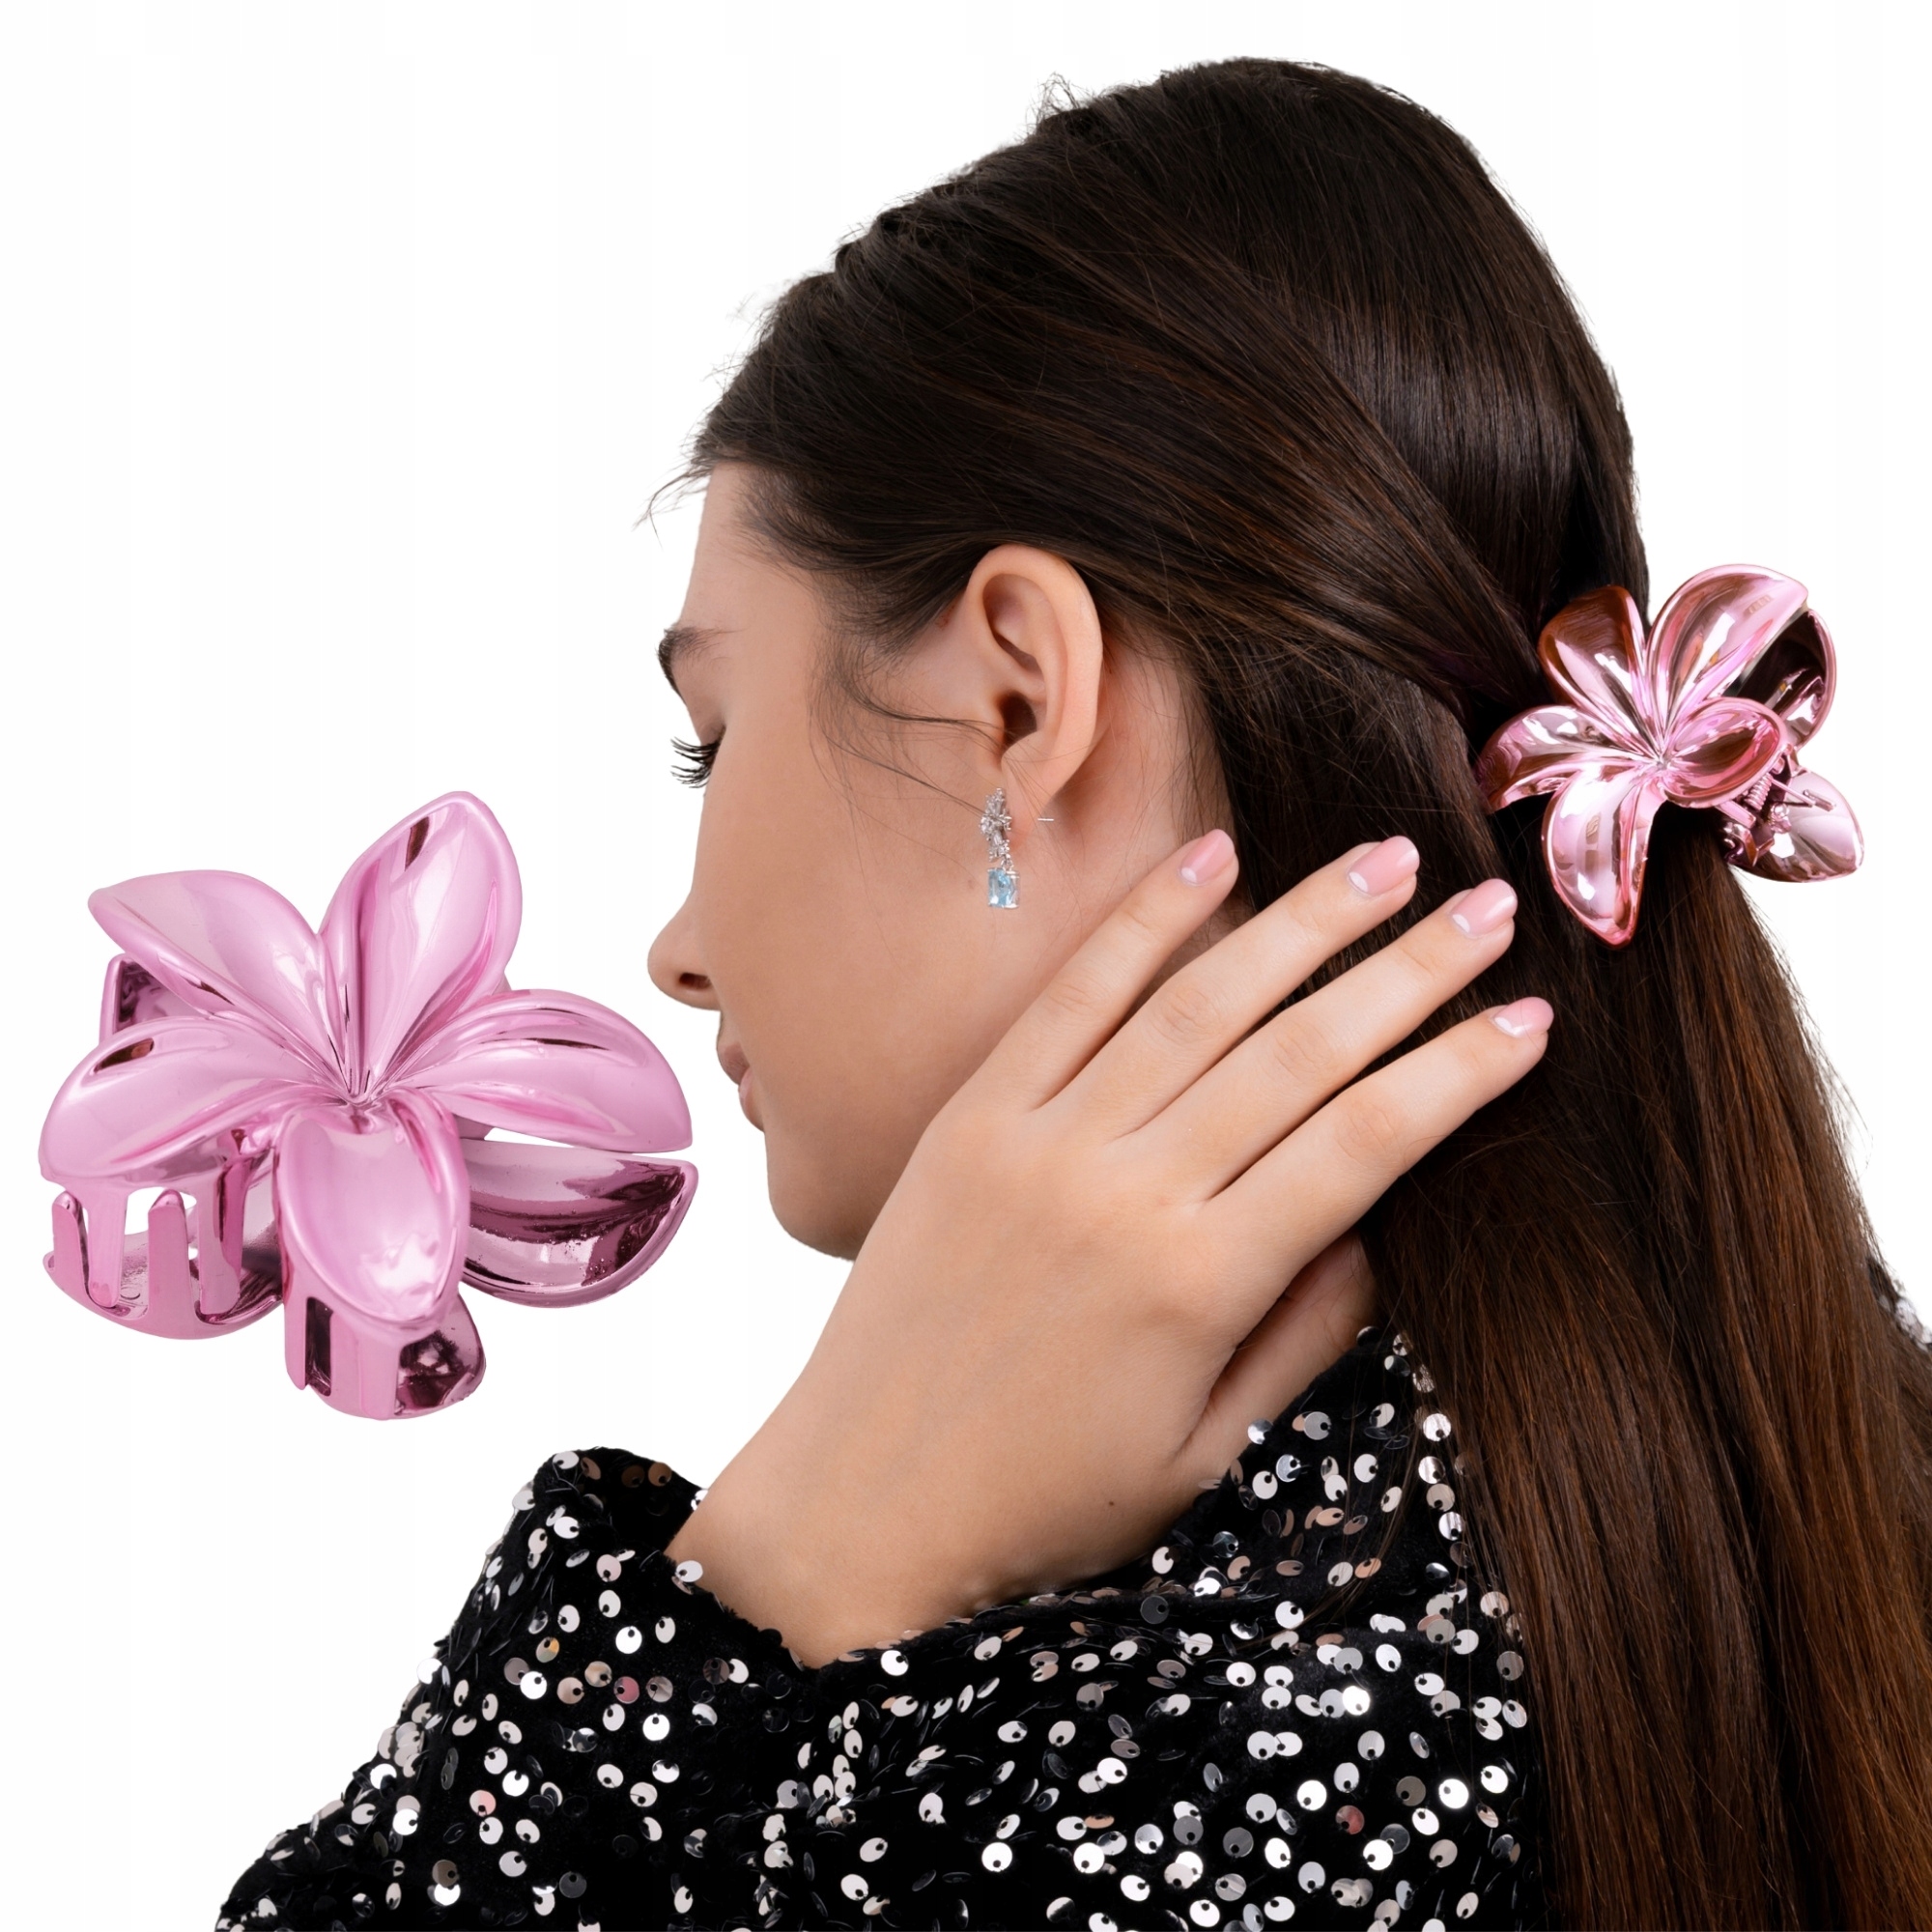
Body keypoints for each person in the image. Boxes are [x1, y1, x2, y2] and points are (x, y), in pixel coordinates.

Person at [218, 58, 1932, 1932]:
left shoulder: (1189, 1740)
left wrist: (796, 1550)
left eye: (713, 740)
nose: (677, 947)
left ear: (1019, 699)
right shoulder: (1789, 1450)